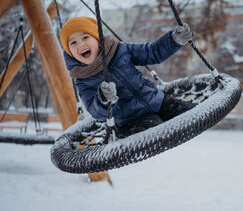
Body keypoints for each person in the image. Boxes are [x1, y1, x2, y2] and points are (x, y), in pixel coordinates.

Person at [60, 16, 196, 138]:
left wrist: (173, 40)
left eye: (85, 37)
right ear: (69, 51)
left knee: (191, 113)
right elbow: (94, 110)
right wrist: (103, 101)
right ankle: (125, 133)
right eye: (73, 43)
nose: (81, 44)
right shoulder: (82, 79)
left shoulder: (119, 50)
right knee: (155, 131)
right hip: (130, 120)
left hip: (158, 101)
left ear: (98, 39)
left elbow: (151, 52)